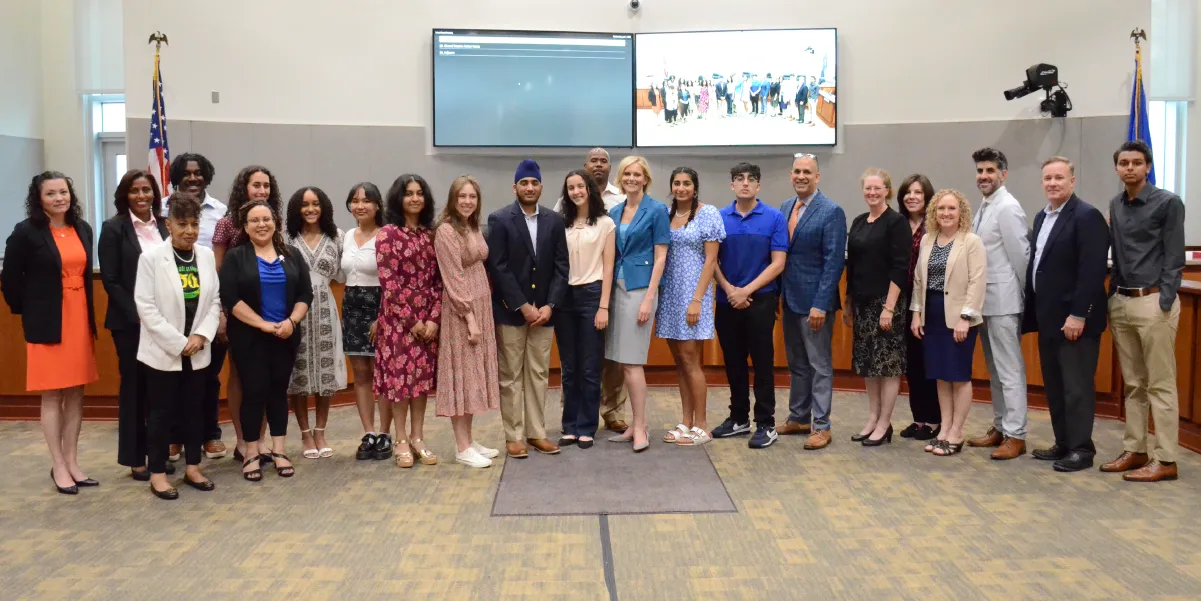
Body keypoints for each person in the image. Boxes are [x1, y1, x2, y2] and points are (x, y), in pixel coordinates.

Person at [2, 172, 100, 494]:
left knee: (75, 393)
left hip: (79, 318)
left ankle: (72, 461)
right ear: (39, 199)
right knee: (52, 392)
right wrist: (28, 311)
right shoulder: (27, 232)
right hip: (47, 321)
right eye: (51, 194)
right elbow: (10, 280)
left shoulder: (82, 229)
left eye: (64, 192)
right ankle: (57, 465)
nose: (59, 198)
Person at [1101, 140, 1186, 482]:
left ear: (1147, 167)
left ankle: (1165, 458)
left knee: (1160, 385)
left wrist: (1164, 300)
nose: (1131, 168)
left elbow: (1174, 256)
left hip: (1154, 302)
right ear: (1117, 168)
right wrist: (1112, 298)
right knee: (1134, 384)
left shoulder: (1168, 203)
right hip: (1121, 301)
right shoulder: (1116, 204)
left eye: (1137, 162)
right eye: (1124, 163)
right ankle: (1135, 450)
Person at [1022, 157, 1109, 473]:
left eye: (1059, 178)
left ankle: (1082, 449)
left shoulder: (1087, 216)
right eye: (1047, 178)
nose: (1053, 183)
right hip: (1048, 319)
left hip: (1074, 321)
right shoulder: (1041, 217)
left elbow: (1092, 271)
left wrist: (1078, 315)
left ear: (1072, 181)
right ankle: (1063, 442)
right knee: (1055, 385)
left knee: (1076, 387)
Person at [134, 192, 223, 499]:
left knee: (194, 411)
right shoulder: (151, 259)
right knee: (160, 414)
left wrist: (201, 336)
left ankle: (194, 468)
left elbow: (214, 300)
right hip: (162, 353)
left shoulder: (206, 256)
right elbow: (145, 307)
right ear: (168, 224)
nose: (189, 231)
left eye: (194, 223)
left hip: (198, 350)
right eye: (182, 224)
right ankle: (158, 474)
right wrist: (179, 342)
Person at [221, 201, 311, 481]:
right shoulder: (236, 257)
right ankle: (251, 453)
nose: (262, 224)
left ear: (275, 222)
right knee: (254, 393)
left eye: (266, 219)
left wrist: (291, 322)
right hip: (250, 338)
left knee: (278, 392)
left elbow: (304, 295)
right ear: (245, 227)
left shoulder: (292, 254)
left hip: (285, 336)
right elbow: (230, 298)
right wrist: (262, 324)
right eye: (254, 220)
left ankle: (280, 450)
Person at [487, 159, 569, 459]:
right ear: (515, 187)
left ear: (541, 187)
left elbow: (562, 267)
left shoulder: (554, 220)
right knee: (510, 375)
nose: (530, 188)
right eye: (524, 183)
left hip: (545, 315)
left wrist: (550, 305)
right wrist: (522, 305)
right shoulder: (499, 220)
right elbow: (498, 266)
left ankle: (537, 433)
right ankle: (514, 435)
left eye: (534, 183)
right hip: (511, 312)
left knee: (538, 374)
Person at [710, 162, 788, 449]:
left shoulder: (774, 217)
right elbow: (712, 261)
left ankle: (766, 423)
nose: (745, 183)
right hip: (727, 300)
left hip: (760, 300)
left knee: (763, 363)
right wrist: (730, 290)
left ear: (758, 186)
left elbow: (778, 263)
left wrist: (746, 291)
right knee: (733, 362)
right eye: (739, 179)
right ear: (732, 185)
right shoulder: (719, 218)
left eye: (751, 179)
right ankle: (739, 418)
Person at [99, 169, 168, 481]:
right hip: (131, 324)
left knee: (160, 391)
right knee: (135, 389)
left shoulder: (165, 227)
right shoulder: (114, 229)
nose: (142, 196)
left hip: (165, 324)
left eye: (147, 190)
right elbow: (111, 280)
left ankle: (158, 456)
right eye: (135, 191)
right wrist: (138, 313)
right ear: (124, 195)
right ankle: (134, 457)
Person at [210, 165, 282, 462]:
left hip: (270, 313)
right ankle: (242, 440)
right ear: (244, 188)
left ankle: (261, 440)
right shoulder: (227, 224)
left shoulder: (274, 220)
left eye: (266, 185)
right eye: (256, 185)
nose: (262, 191)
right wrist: (222, 314)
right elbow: (217, 272)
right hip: (237, 311)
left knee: (265, 378)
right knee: (241, 375)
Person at [910, 189, 986, 456]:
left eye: (951, 208)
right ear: (934, 212)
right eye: (941, 208)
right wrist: (916, 313)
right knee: (940, 375)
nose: (946, 213)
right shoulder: (928, 240)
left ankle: (957, 431)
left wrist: (966, 317)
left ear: (961, 212)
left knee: (958, 375)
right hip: (932, 313)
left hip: (959, 316)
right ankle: (944, 428)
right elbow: (919, 280)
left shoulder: (971, 241)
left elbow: (977, 282)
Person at [965, 148, 1030, 460]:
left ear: (1003, 174)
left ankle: (1016, 435)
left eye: (990, 171)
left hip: (1003, 301)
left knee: (1009, 369)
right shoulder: (986, 204)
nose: (984, 176)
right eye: (980, 171)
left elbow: (1020, 257)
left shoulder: (1007, 207)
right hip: (984, 302)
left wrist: (1020, 296)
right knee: (994, 369)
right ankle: (1001, 426)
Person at [375, 174, 443, 468]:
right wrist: (412, 321)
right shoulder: (388, 234)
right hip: (398, 321)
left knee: (421, 383)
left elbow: (440, 281)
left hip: (428, 321)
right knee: (400, 383)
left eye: (419, 193)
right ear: (398, 199)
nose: (415, 198)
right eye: (408, 193)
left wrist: (433, 320)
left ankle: (418, 437)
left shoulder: (431, 234)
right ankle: (400, 438)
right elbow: (389, 284)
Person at [779, 154, 846, 449]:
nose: (801, 176)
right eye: (796, 171)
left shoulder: (831, 211)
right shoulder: (784, 207)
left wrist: (820, 304)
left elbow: (834, 263)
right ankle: (799, 417)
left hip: (816, 305)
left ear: (817, 177)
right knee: (797, 365)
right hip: (790, 299)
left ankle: (821, 425)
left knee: (819, 365)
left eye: (807, 172)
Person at [434, 175, 502, 468]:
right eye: (462, 196)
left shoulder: (472, 226)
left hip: (480, 306)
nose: (467, 201)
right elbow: (453, 278)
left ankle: (470, 440)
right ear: (453, 198)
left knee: (474, 375)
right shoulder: (446, 232)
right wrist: (471, 319)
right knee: (461, 376)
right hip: (462, 312)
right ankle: (462, 448)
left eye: (472, 196)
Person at [606, 156, 670, 452]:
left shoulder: (656, 210)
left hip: (640, 289)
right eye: (627, 174)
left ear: (645, 178)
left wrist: (648, 298)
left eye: (637, 174)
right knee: (622, 361)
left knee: (633, 363)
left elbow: (661, 257)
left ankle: (642, 426)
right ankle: (632, 424)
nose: (632, 178)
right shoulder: (616, 210)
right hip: (616, 291)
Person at [656, 167, 724, 445]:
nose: (681, 188)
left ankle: (703, 425)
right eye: (676, 183)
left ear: (695, 188)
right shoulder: (666, 214)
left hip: (693, 295)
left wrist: (697, 300)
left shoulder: (708, 214)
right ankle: (686, 421)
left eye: (686, 183)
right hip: (670, 294)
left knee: (691, 360)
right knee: (680, 362)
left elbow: (711, 261)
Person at [167, 153, 227, 459]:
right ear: (177, 176)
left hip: (210, 303)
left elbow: (225, 260)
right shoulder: (162, 209)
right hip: (173, 305)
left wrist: (222, 310)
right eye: (187, 173)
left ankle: (209, 434)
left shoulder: (220, 212)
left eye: (199, 173)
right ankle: (175, 436)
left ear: (207, 176)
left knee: (209, 374)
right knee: (174, 373)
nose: (193, 178)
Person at [845, 168, 910, 446]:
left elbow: (900, 267)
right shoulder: (860, 221)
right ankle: (872, 418)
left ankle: (885, 423)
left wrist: (889, 307)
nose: (872, 192)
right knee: (869, 366)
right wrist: (848, 303)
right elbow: (854, 265)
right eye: (867, 188)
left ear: (888, 190)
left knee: (888, 366)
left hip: (886, 305)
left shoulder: (896, 222)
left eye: (877, 188)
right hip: (862, 304)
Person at [283, 186, 346, 460]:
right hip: (294, 310)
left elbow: (342, 275)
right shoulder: (286, 238)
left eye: (316, 203)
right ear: (297, 208)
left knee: (325, 371)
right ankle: (305, 433)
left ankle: (321, 430)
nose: (310, 209)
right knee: (298, 374)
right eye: (305, 204)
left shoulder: (336, 237)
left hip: (325, 309)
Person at [555, 170, 616, 449]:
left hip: (593, 296)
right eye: (571, 188)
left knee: (591, 367)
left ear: (590, 189)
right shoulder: (560, 223)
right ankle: (569, 426)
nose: (576, 191)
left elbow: (608, 267)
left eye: (580, 186)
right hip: (564, 297)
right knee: (569, 367)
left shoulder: (605, 223)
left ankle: (587, 426)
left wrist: (603, 306)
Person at [341, 182, 390, 461]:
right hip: (352, 305)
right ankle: (368, 432)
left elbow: (392, 281)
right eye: (355, 200)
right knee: (361, 374)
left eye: (366, 200)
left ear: (378, 205)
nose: (360, 205)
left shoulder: (386, 235)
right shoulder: (347, 235)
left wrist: (382, 316)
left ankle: (385, 433)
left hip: (379, 305)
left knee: (382, 375)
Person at [896, 174, 941, 440]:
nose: (912, 197)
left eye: (918, 192)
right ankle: (919, 418)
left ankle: (935, 420)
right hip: (900, 300)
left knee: (928, 360)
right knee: (911, 363)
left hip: (927, 300)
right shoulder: (897, 224)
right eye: (908, 192)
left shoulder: (935, 226)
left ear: (927, 197)